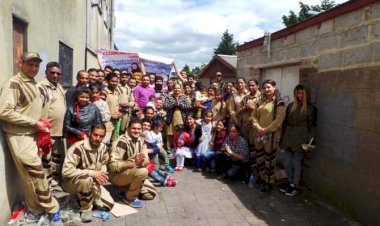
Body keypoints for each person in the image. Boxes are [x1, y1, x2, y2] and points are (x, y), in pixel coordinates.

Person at [0, 52, 63, 225]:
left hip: (34, 135)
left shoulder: (34, 83)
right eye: (30, 64)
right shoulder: (14, 84)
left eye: (36, 65)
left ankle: (34, 210)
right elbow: (4, 112)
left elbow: (36, 111)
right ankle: (53, 209)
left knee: (29, 177)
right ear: (20, 63)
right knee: (37, 175)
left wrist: (43, 130)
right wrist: (33, 123)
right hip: (20, 136)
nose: (34, 68)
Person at [62, 123, 114, 223]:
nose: (97, 138)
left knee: (108, 205)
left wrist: (101, 173)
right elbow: (66, 171)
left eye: (101, 136)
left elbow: (104, 163)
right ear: (90, 133)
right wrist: (91, 173)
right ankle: (85, 209)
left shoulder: (103, 148)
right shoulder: (77, 148)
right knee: (85, 179)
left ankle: (81, 197)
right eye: (95, 135)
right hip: (72, 183)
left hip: (92, 182)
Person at [280, 84, 317, 196]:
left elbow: (313, 126)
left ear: (305, 94)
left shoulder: (311, 108)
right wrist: (282, 138)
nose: (298, 95)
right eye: (297, 92)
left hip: (301, 138)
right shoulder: (291, 106)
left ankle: (294, 186)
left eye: (301, 93)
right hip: (289, 137)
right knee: (287, 163)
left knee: (296, 164)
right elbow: (285, 123)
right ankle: (290, 183)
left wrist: (309, 140)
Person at [252, 79, 286, 192]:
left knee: (269, 160)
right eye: (265, 88)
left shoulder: (279, 102)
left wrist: (266, 129)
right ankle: (262, 178)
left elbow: (278, 121)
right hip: (259, 134)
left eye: (269, 87)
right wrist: (258, 127)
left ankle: (269, 181)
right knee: (260, 157)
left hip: (271, 135)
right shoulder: (260, 101)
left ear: (274, 87)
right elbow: (254, 116)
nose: (266, 90)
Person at [37, 61, 66, 190]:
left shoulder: (58, 86)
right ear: (46, 72)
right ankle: (47, 184)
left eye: (58, 73)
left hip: (58, 131)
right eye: (52, 72)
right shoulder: (41, 87)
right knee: (46, 159)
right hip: (47, 131)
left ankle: (54, 180)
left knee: (56, 158)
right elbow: (37, 110)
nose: (55, 75)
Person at [109, 118, 149, 208]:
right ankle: (129, 197)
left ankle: (124, 189)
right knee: (143, 172)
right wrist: (134, 163)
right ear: (128, 129)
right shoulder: (121, 142)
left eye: (139, 129)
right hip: (117, 175)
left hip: (133, 170)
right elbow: (113, 166)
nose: (136, 131)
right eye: (134, 128)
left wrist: (142, 162)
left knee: (149, 194)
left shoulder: (142, 140)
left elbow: (146, 158)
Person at [163, 83, 192, 153]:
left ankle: (179, 148)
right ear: (173, 89)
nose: (177, 89)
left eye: (178, 88)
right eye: (175, 88)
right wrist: (174, 104)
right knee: (169, 133)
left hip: (181, 117)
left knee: (179, 133)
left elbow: (188, 106)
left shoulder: (184, 97)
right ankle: (169, 149)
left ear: (181, 89)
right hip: (170, 117)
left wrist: (180, 105)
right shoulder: (169, 96)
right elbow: (165, 106)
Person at [238, 79, 261, 147]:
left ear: (258, 86)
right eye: (249, 86)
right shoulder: (246, 97)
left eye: (253, 85)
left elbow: (263, 113)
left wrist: (253, 108)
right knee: (244, 145)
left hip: (254, 127)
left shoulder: (261, 97)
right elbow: (239, 111)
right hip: (244, 126)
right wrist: (244, 108)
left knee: (253, 146)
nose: (251, 87)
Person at [102, 73, 121, 141]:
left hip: (115, 122)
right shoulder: (104, 92)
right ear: (107, 81)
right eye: (112, 81)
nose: (114, 83)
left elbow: (116, 105)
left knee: (114, 142)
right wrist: (110, 116)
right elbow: (100, 109)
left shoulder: (116, 92)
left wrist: (118, 112)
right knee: (105, 142)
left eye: (116, 81)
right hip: (107, 123)